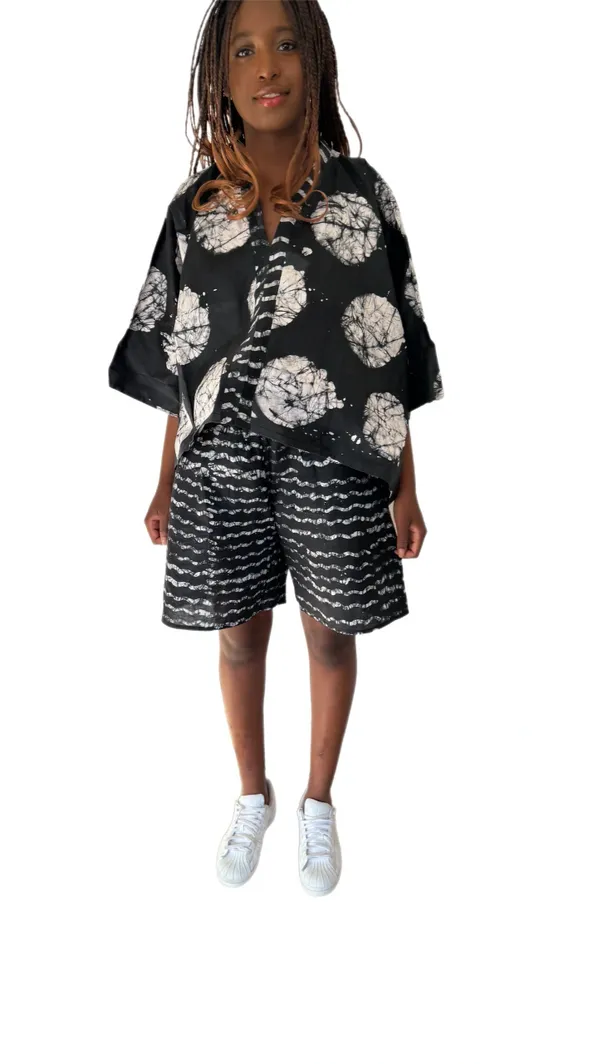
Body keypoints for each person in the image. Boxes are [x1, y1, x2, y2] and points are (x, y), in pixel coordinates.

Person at [108, 0, 444, 897]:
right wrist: (163, 480)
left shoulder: (362, 196)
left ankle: (318, 801)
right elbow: (181, 355)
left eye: (287, 45)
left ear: (315, 60)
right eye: (245, 50)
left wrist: (407, 485)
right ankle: (250, 793)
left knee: (330, 635)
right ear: (219, 76)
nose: (267, 66)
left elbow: (393, 350)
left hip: (338, 454)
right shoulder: (194, 208)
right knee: (237, 635)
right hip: (220, 461)